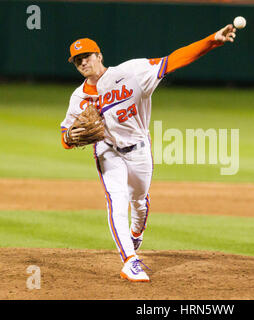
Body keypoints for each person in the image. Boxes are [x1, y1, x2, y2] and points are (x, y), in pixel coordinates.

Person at [60, 25, 237, 282]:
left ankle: (136, 232)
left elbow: (174, 60)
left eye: (87, 55)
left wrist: (212, 41)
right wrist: (68, 138)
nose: (83, 62)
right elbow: (65, 134)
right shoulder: (78, 97)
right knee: (117, 200)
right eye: (77, 60)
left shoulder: (132, 72)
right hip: (108, 152)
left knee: (139, 201)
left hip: (140, 149)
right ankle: (130, 261)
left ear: (99, 55)